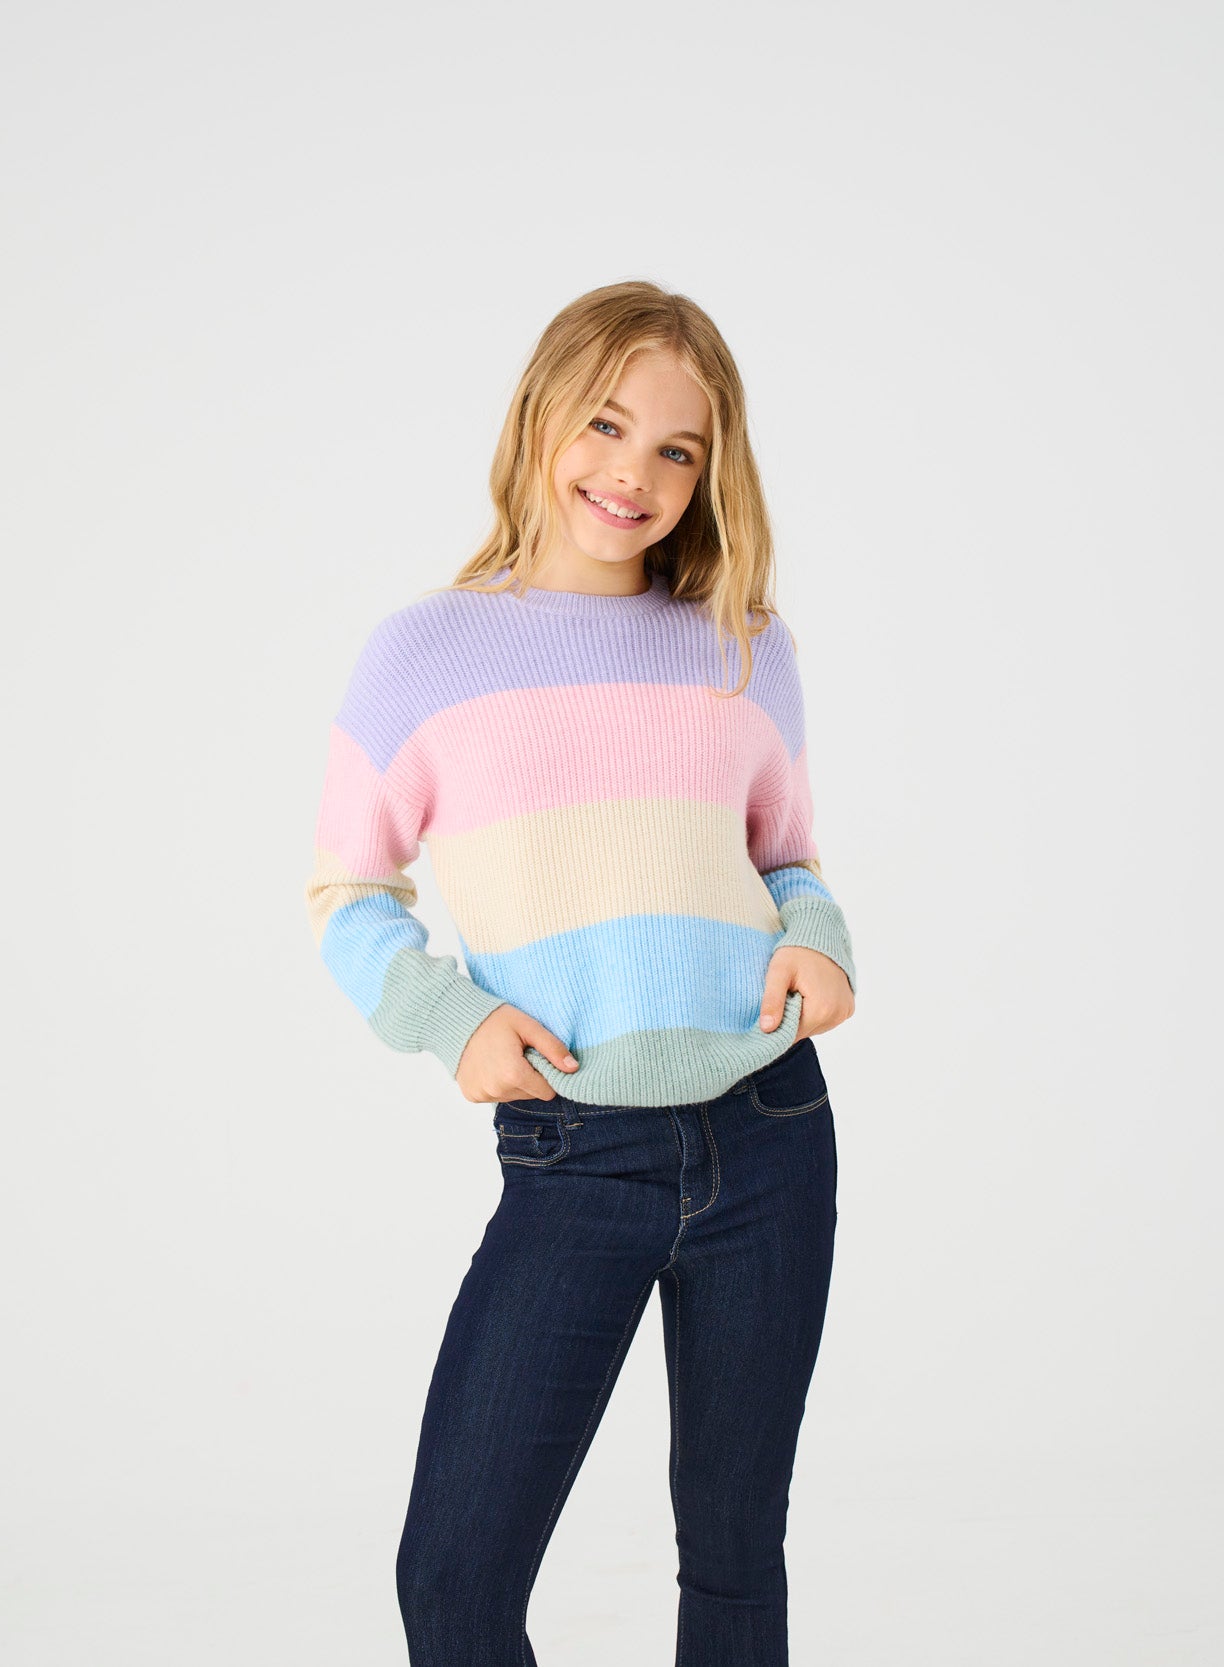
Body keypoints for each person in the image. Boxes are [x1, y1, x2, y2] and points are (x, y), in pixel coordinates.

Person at [304, 278, 858, 1666]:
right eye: (606, 425)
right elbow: (349, 895)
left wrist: (819, 938)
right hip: (574, 1152)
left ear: (711, 472)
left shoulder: (744, 647)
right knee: (455, 1580)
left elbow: (786, 859)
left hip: (769, 1131)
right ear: (541, 417)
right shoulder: (424, 653)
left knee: (734, 1558)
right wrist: (450, 1018)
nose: (635, 474)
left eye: (678, 448)